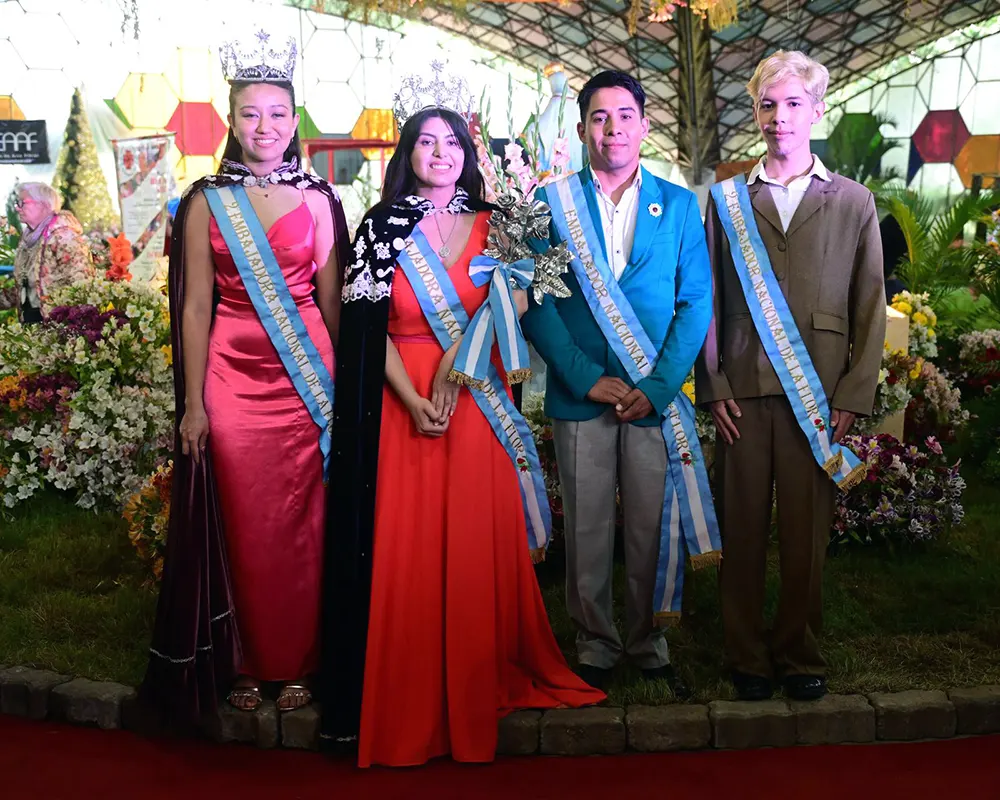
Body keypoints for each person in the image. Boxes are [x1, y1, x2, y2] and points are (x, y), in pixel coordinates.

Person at [320, 68, 605, 767]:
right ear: (408, 154)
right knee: (408, 550)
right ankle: (410, 690)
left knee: (473, 545)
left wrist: (455, 369)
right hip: (402, 403)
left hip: (475, 400)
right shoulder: (380, 227)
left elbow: (528, 303)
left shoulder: (502, 221)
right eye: (426, 141)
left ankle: (475, 681)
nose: (440, 152)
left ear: (467, 153)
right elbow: (365, 327)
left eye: (452, 141)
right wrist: (414, 397)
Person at [139, 30, 349, 721]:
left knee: (305, 522)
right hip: (229, 376)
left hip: (304, 377)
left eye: (278, 114)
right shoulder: (206, 200)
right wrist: (194, 403)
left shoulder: (319, 200)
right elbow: (196, 304)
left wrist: (344, 392)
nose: (266, 127)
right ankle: (242, 661)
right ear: (234, 119)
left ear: (295, 122)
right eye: (252, 114)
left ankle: (301, 661)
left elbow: (329, 304)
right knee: (242, 523)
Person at [695, 51, 885, 702]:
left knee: (806, 536)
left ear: (818, 111)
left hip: (820, 397)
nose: (780, 118)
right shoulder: (724, 201)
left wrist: (855, 395)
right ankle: (746, 653)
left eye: (793, 104)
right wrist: (713, 385)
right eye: (768, 105)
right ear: (756, 113)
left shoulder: (855, 203)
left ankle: (799, 650)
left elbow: (870, 305)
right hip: (742, 394)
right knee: (741, 530)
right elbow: (707, 300)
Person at [520, 70, 718, 695]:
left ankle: (646, 638)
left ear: (644, 125)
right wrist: (584, 378)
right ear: (581, 129)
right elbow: (538, 303)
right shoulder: (550, 206)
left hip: (651, 399)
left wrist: (658, 387)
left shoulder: (680, 205)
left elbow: (695, 304)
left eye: (624, 116)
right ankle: (596, 641)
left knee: (648, 522)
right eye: (599, 118)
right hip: (582, 399)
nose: (613, 128)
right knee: (586, 525)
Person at [11, 182, 93, 323]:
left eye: (22, 203)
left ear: (44, 205)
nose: (17, 208)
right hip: (31, 323)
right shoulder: (28, 239)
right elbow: (23, 287)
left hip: (58, 327)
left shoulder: (65, 238)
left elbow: (82, 287)